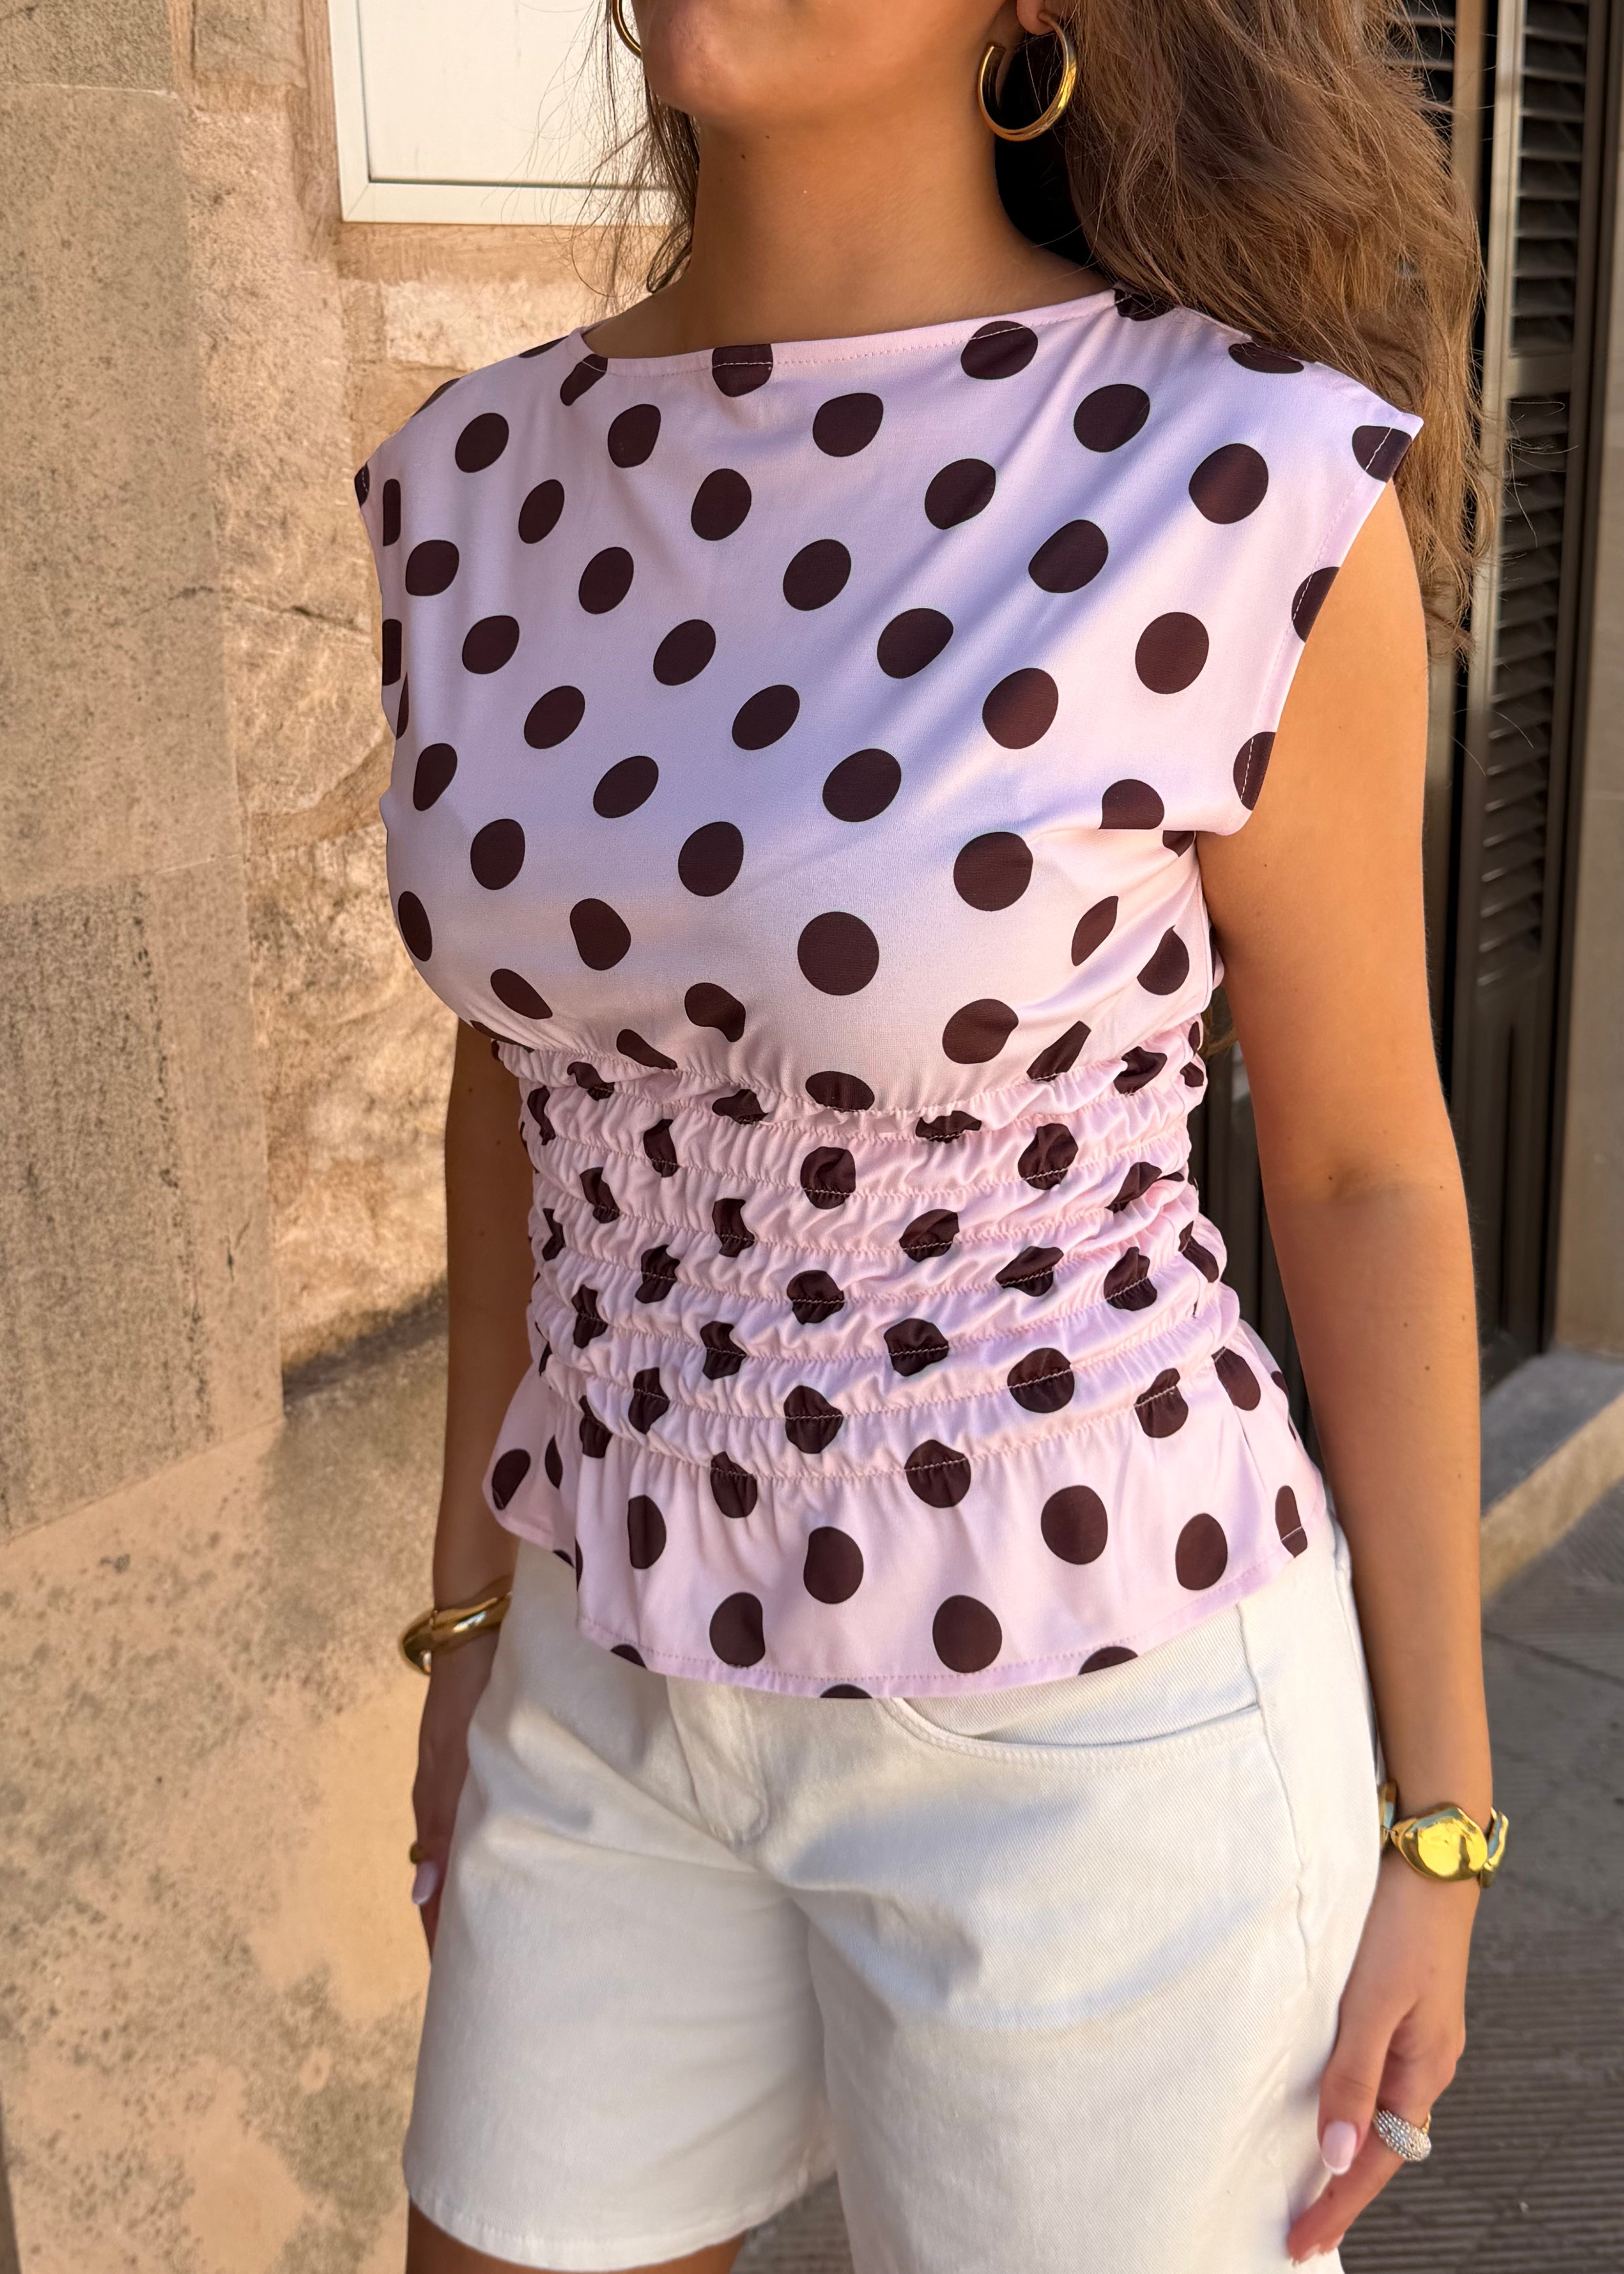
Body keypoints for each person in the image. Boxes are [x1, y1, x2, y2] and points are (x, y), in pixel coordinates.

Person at [354, 2, 1504, 2267]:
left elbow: (1362, 1164)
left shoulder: (1238, 476)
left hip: (1088, 1716)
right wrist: (471, 1608)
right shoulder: (466, 480)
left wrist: (1443, 1819)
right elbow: (518, 1076)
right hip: (604, 1658)